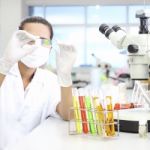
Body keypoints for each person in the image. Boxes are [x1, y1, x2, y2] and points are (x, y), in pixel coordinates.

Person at [0, 16, 77, 149]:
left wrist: (65, 77)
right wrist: (5, 65)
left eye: (43, 41)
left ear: (50, 47)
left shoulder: (49, 80)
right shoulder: (3, 72)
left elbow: (67, 114)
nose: (36, 46)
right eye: (29, 40)